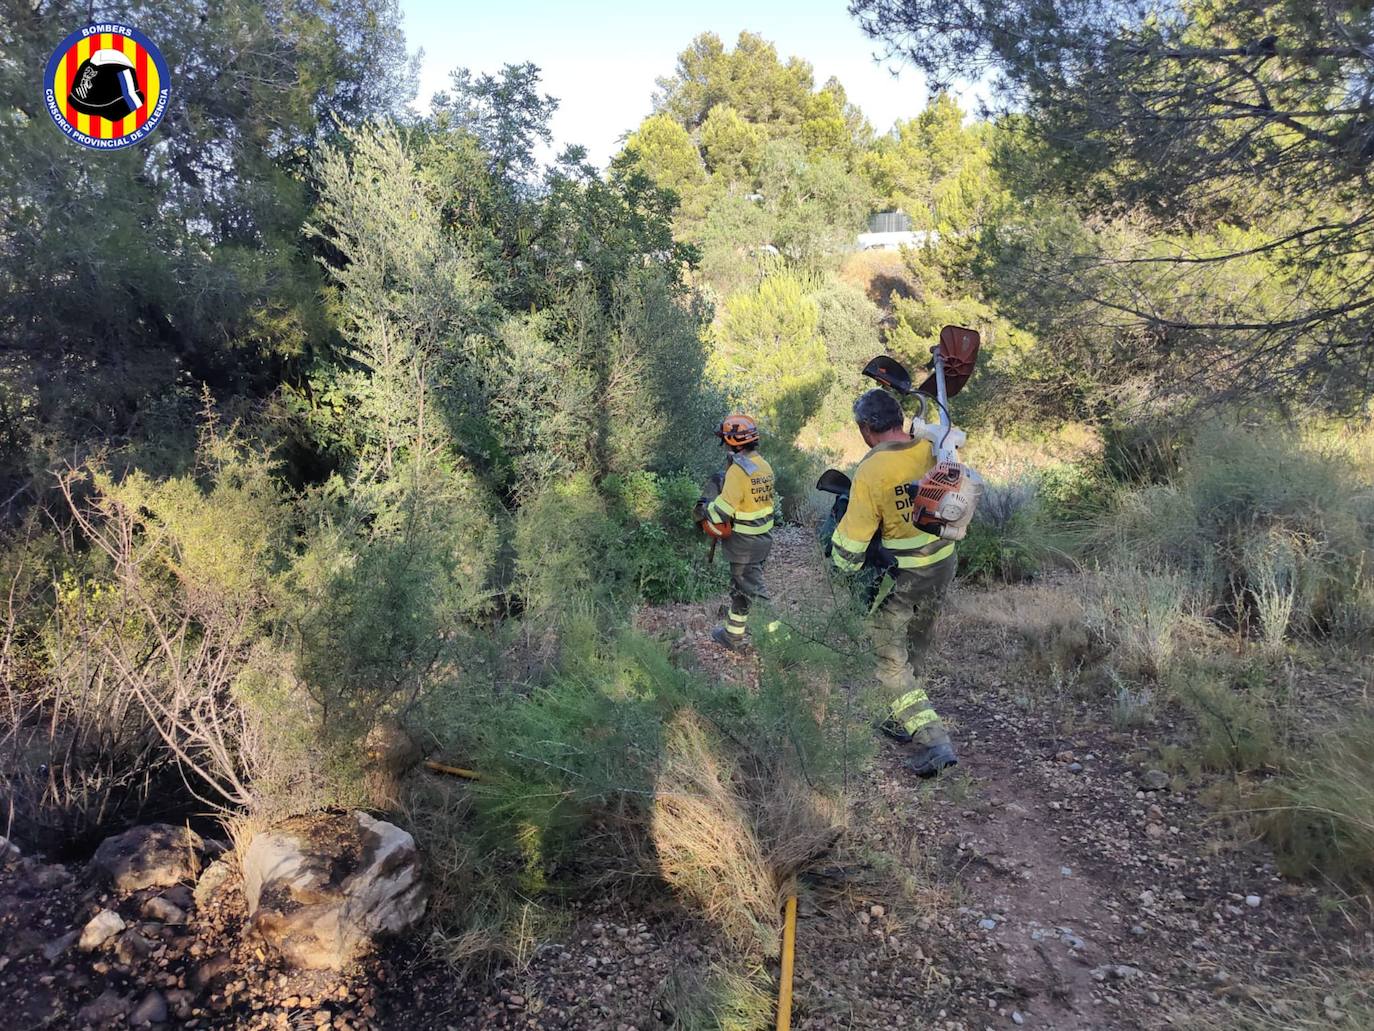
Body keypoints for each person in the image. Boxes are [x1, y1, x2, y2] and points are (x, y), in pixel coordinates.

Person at [829, 389, 959, 777]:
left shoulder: (872, 470)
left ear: (866, 428)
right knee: (916, 640)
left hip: (904, 575)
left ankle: (933, 740)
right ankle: (898, 715)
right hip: (942, 562)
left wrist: (839, 568)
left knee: (888, 659)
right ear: (899, 420)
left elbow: (852, 542)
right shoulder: (929, 446)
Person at [696, 414, 775, 651]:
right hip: (762, 540)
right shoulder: (763, 465)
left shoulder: (738, 471)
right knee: (741, 589)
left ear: (731, 441)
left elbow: (721, 511)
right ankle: (732, 635)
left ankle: (781, 644)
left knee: (756, 594)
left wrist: (703, 509)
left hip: (743, 544)